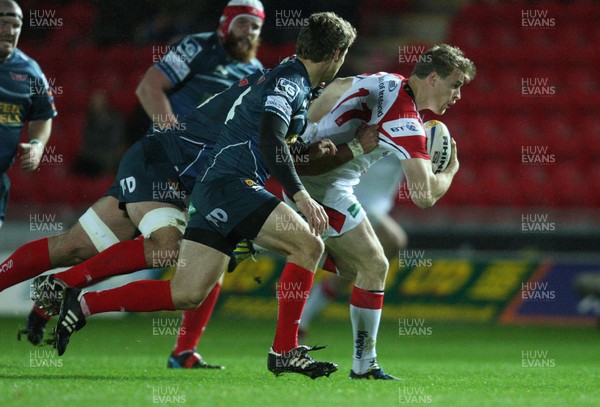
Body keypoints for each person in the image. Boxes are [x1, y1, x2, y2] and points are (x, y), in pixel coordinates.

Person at [53, 12, 357, 380]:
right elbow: (270, 138)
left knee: (187, 292)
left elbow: (272, 145)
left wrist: (314, 153)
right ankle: (285, 350)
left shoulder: (292, 79)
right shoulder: (290, 83)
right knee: (308, 244)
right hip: (232, 184)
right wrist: (302, 197)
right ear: (338, 52)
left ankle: (84, 304)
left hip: (216, 188)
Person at [0, 0, 265, 370]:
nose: (248, 32)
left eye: (255, 27)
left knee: (79, 247)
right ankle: (67, 286)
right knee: (173, 247)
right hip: (163, 163)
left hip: (196, 176)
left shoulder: (256, 72)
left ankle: (181, 350)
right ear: (225, 24)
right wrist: (173, 135)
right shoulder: (199, 47)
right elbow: (149, 87)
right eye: (241, 24)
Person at [280, 43, 475, 379]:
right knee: (373, 264)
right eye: (455, 84)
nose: (457, 95)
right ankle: (363, 365)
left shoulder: (387, 80)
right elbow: (424, 195)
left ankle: (362, 362)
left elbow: (340, 85)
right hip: (319, 187)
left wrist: (308, 127)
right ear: (432, 78)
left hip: (325, 182)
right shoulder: (404, 118)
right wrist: (451, 170)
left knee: (364, 264)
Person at [298, 156, 408, 340]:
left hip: (375, 208)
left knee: (350, 271)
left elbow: (427, 184)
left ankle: (302, 319)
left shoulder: (412, 135)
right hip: (348, 201)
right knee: (392, 241)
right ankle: (365, 350)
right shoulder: (365, 129)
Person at [0, 0, 56, 229]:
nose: (9, 31)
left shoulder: (30, 71)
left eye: (15, 25)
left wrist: (37, 144)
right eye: (3, 23)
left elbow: (43, 116)